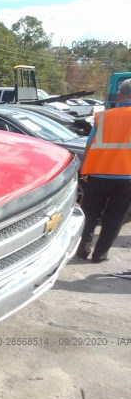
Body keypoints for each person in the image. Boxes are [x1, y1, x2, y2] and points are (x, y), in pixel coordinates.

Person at [76, 79, 131, 262]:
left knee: (90, 214)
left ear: (119, 96)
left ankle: (82, 250)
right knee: (114, 219)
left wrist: (84, 169)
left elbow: (89, 145)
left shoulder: (103, 117)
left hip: (97, 174)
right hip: (126, 177)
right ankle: (100, 255)